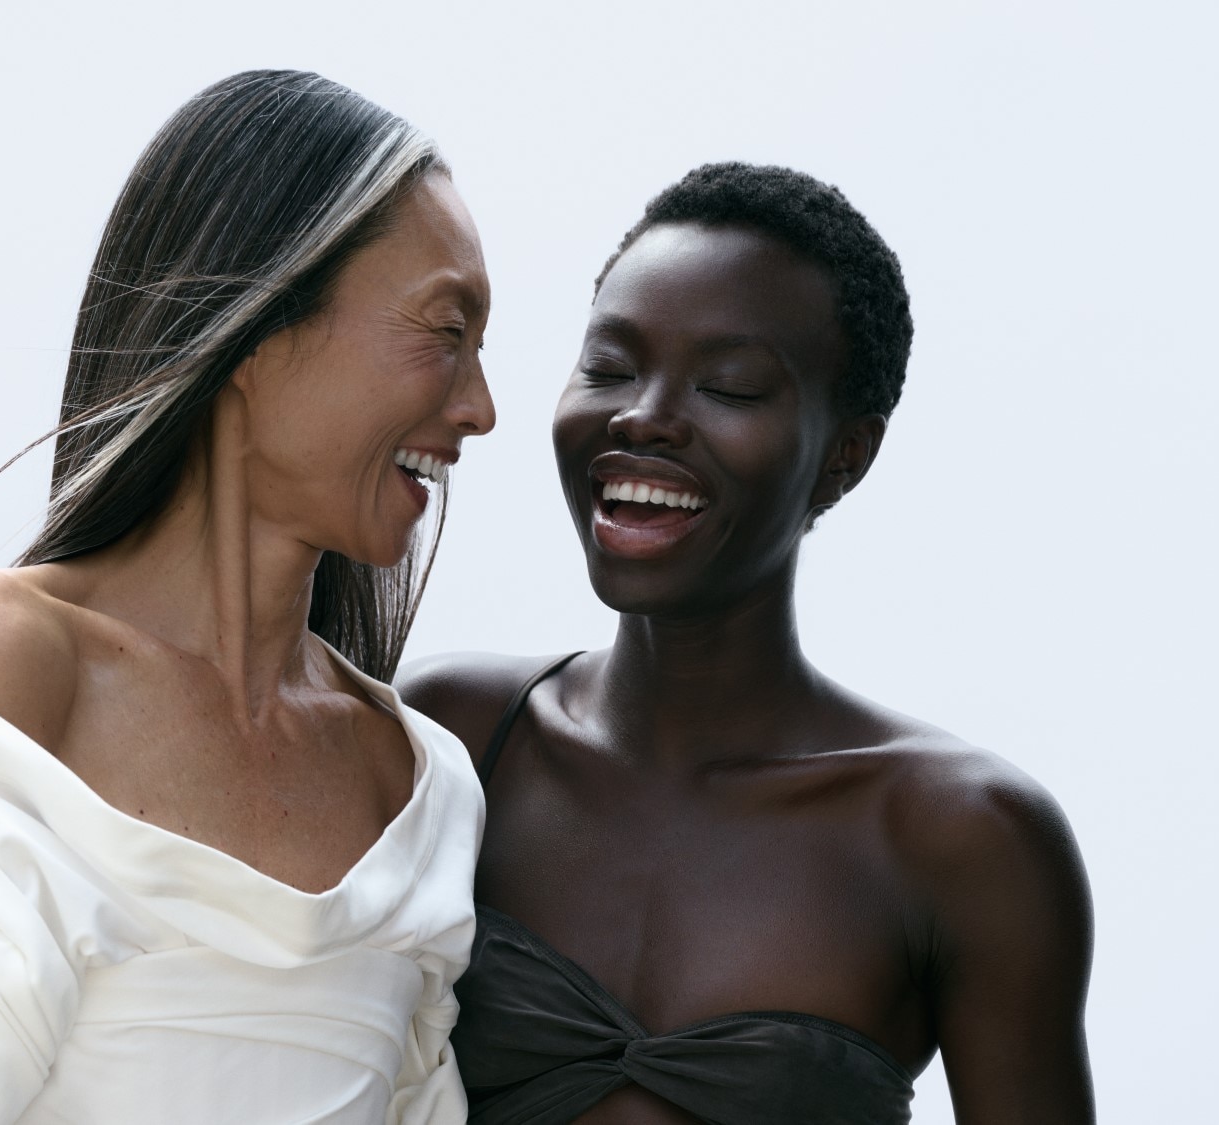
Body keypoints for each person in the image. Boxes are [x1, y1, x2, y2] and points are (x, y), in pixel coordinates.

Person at [0, 70, 495, 1124]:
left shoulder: (415, 793)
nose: (481, 407)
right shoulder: (4, 671)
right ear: (260, 325)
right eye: (446, 331)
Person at [400, 163, 1095, 1124]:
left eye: (728, 385)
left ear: (846, 454)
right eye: (609, 366)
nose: (643, 414)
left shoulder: (963, 839)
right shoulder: (455, 740)